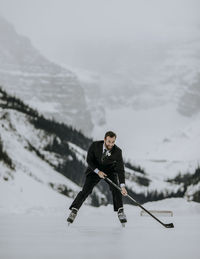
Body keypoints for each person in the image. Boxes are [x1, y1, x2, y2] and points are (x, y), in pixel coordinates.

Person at [67, 130, 128, 225]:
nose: (111, 144)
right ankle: (74, 210)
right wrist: (98, 171)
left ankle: (120, 211)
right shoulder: (95, 145)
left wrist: (123, 186)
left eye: (113, 142)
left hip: (110, 172)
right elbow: (89, 160)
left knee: (117, 189)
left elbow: (120, 169)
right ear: (104, 139)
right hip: (94, 170)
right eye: (109, 141)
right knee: (86, 190)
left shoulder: (117, 151)